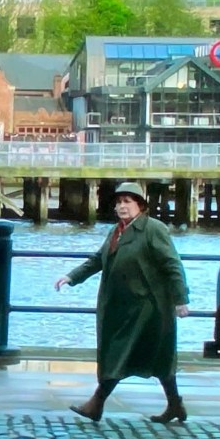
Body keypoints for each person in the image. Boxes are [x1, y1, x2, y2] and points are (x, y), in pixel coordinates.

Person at [54, 181, 190, 424]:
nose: (121, 206)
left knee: (129, 356)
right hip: (120, 306)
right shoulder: (116, 231)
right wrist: (71, 277)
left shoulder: (153, 229)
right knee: (146, 358)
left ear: (140, 205)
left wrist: (181, 300)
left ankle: (96, 403)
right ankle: (175, 405)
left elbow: (172, 264)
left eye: (127, 201)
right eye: (118, 202)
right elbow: (98, 260)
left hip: (148, 308)